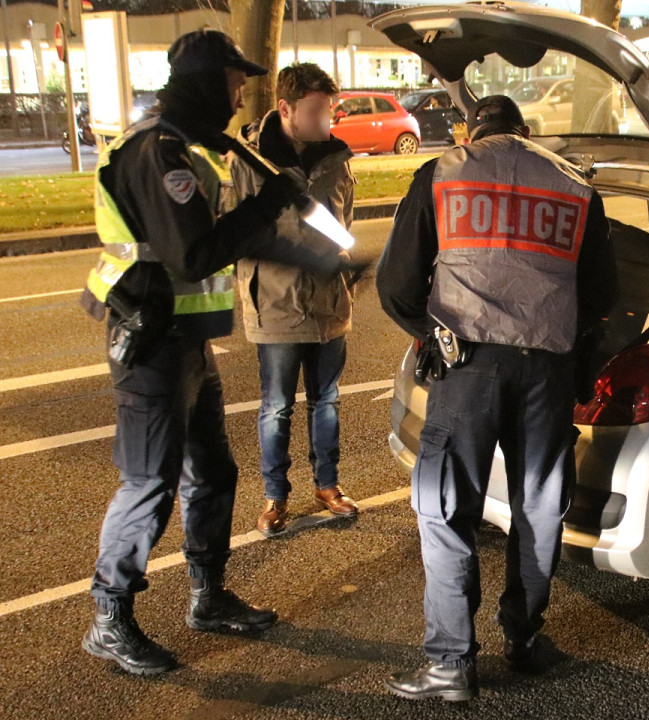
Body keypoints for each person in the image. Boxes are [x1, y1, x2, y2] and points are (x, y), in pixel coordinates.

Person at [79, 30, 347, 676]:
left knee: (215, 474)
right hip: (151, 344)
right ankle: (109, 618)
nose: (238, 95)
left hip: (188, 343)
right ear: (205, 79)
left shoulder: (195, 150)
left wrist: (316, 255)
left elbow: (225, 241)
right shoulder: (159, 153)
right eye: (232, 83)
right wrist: (268, 207)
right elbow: (196, 252)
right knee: (149, 483)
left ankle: (209, 595)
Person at [377, 95, 618, 701]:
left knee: (446, 507)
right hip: (548, 370)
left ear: (472, 130)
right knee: (538, 508)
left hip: (469, 367)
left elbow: (397, 284)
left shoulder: (443, 172)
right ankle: (526, 639)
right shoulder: (575, 185)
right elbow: (604, 292)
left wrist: (430, 332)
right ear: (526, 131)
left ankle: (451, 665)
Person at [230, 63, 358, 537]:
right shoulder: (247, 159)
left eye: (330, 108)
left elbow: (346, 224)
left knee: (326, 400)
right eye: (318, 109)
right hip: (278, 305)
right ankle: (275, 497)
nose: (328, 119)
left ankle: (328, 486)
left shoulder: (338, 159)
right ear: (286, 109)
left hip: (328, 304)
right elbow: (234, 231)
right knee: (276, 406)